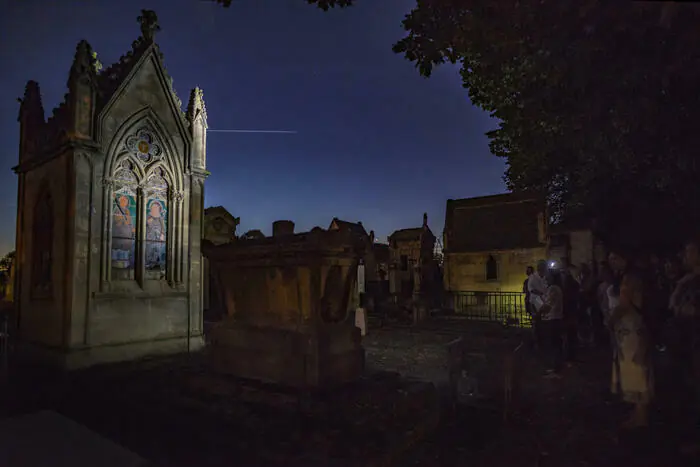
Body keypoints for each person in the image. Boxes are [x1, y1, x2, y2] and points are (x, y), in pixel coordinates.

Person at [609, 271, 654, 428]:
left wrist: (612, 319)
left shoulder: (630, 298)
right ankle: (637, 415)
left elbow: (619, 312)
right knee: (638, 377)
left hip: (631, 342)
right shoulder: (641, 299)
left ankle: (641, 419)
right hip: (632, 340)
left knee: (636, 379)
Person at [669, 238, 700, 436]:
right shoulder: (688, 279)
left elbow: (688, 309)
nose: (685, 256)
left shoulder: (694, 283)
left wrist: (681, 307)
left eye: (689, 252)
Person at [539, 269, 564, 378]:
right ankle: (556, 367)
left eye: (548, 276)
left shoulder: (553, 288)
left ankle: (556, 369)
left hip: (553, 319)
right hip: (555, 318)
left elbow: (548, 304)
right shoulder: (555, 288)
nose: (545, 278)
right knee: (555, 344)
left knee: (554, 344)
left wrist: (539, 313)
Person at [528, 261, 549, 347]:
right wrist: (540, 293)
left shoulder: (545, 277)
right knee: (536, 322)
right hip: (535, 302)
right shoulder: (533, 277)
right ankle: (536, 342)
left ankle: (543, 340)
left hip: (543, 302)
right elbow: (531, 289)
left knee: (544, 322)